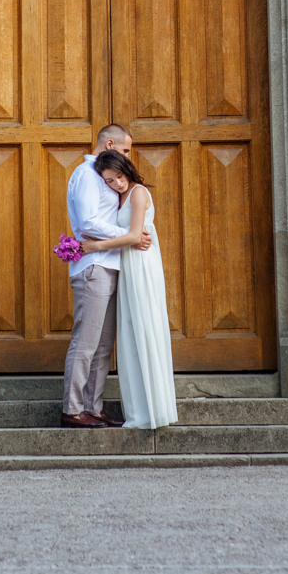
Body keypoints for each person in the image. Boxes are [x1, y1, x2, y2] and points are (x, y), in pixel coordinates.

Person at [61, 124, 151, 429]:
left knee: (102, 346)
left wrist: (127, 237)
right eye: (125, 149)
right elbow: (87, 222)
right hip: (94, 267)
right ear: (110, 144)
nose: (127, 156)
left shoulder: (104, 176)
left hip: (111, 266)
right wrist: (128, 235)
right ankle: (72, 409)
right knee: (85, 342)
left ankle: (93, 407)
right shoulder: (87, 174)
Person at [81, 152, 177, 430]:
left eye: (119, 177)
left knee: (144, 329)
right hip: (127, 266)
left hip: (142, 267)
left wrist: (94, 246)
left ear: (127, 169)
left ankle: (153, 410)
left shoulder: (138, 193)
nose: (117, 184)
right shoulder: (119, 198)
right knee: (130, 334)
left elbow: (135, 236)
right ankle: (140, 409)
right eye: (109, 181)